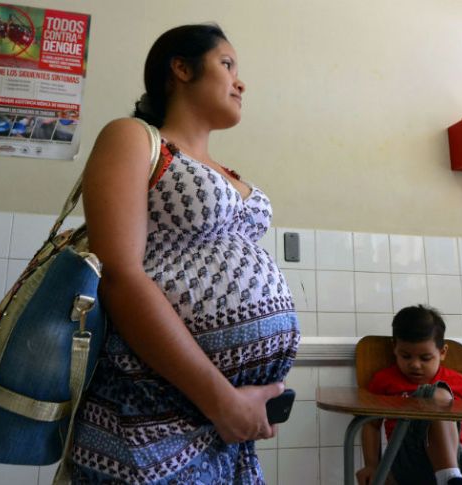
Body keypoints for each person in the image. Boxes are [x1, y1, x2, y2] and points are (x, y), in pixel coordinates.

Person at [73, 24, 300, 484]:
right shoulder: (134, 137)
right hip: (149, 414)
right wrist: (222, 400)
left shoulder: (227, 171)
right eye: (226, 65)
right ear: (180, 68)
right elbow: (119, 274)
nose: (240, 82)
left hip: (225, 426)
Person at [356, 305, 462, 485]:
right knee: (436, 394)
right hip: (411, 459)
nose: (415, 365)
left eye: (425, 358)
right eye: (406, 356)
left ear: (442, 353)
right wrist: (372, 465)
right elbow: (371, 425)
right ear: (395, 348)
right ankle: (449, 478)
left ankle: (453, 477)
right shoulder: (385, 380)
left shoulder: (459, 383)